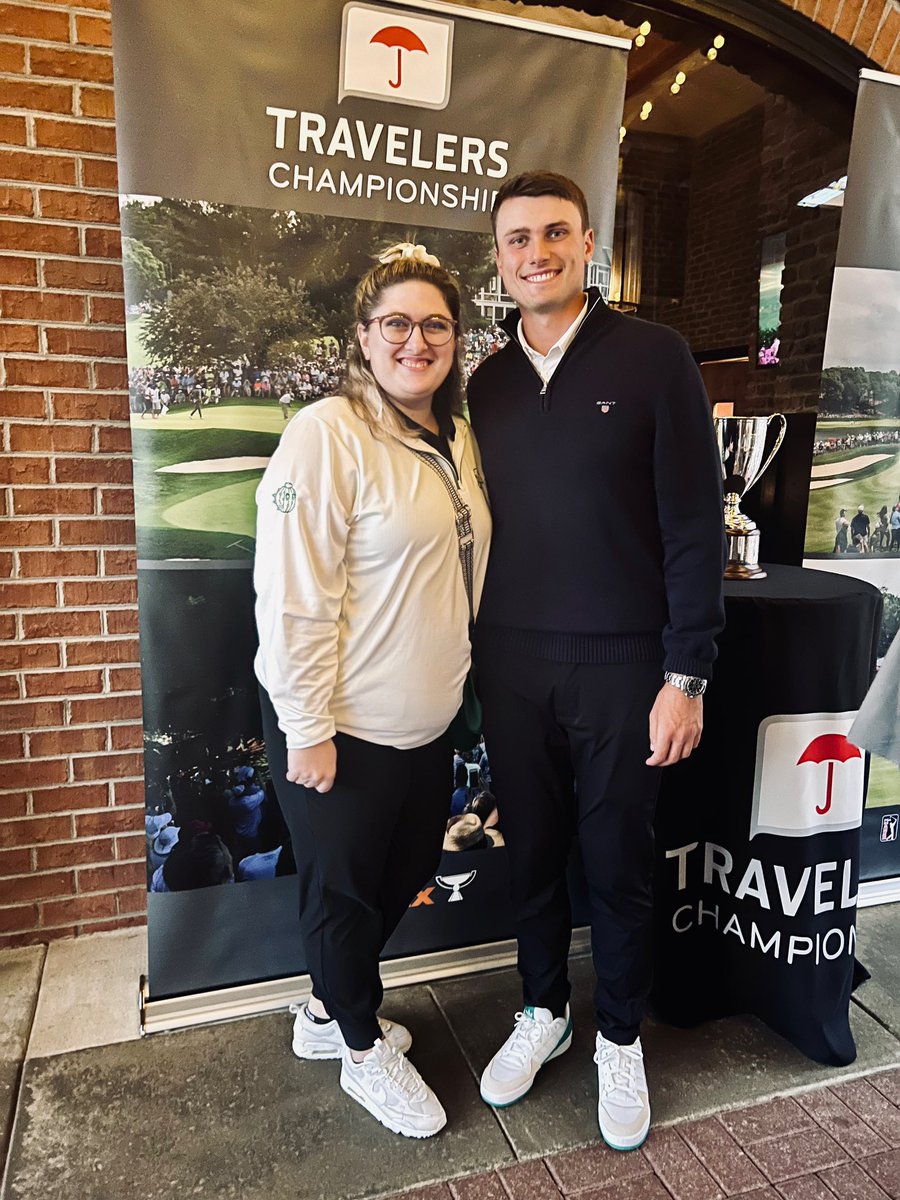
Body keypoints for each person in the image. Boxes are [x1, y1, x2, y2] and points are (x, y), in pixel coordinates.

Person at [467, 172, 725, 1152]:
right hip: (513, 665)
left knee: (616, 864)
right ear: (500, 259)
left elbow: (694, 528)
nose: (534, 251)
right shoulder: (483, 384)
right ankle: (545, 1010)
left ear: (586, 247)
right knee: (531, 855)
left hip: (627, 669)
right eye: (516, 238)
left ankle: (619, 1031)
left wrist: (686, 674)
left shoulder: (656, 359)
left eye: (553, 234)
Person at [254, 242, 490, 1139]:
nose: (416, 339)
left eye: (435, 323)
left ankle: (326, 1011)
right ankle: (358, 1044)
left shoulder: (456, 434)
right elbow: (292, 596)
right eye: (396, 322)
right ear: (363, 334)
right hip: (340, 729)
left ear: (455, 338)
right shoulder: (327, 433)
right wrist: (306, 727)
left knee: (405, 877)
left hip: (426, 724)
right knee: (344, 900)